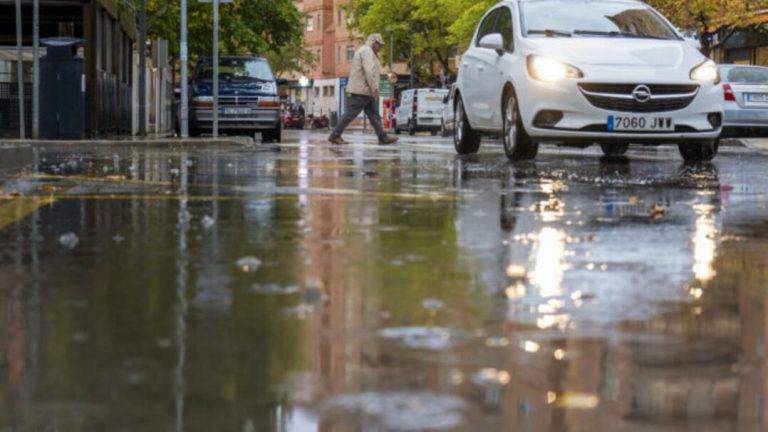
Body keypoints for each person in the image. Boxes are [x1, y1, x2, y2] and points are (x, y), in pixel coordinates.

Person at [329, 34, 398, 145]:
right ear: (374, 42)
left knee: (374, 115)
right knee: (350, 114)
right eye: (379, 44)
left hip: (365, 90)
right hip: (362, 90)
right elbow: (369, 71)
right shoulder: (367, 52)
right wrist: (374, 89)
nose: (380, 47)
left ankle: (382, 137)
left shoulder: (366, 51)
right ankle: (335, 135)